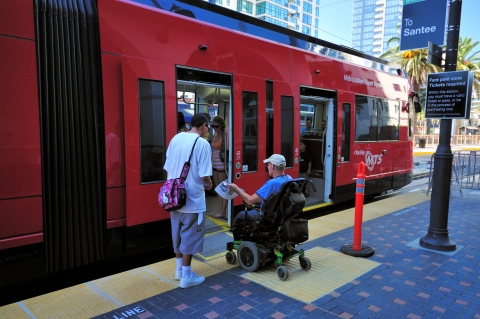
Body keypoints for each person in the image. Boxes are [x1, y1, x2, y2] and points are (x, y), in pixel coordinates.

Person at [163, 113, 213, 288]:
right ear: (205, 125)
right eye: (209, 128)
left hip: (173, 197)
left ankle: (178, 271)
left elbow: (167, 167)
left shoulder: (176, 138)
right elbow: (204, 175)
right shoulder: (203, 144)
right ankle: (186, 276)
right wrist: (209, 184)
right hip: (192, 200)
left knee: (177, 234)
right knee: (190, 236)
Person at [228, 154, 292, 222]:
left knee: (240, 215)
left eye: (268, 164)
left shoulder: (272, 183)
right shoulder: (289, 178)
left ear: (273, 166)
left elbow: (250, 201)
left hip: (266, 215)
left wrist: (236, 189)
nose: (267, 167)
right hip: (279, 214)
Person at [210, 116, 228, 220]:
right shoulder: (215, 135)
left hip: (221, 164)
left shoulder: (225, 135)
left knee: (223, 188)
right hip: (215, 164)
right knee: (218, 188)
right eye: (212, 126)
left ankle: (223, 211)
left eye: (216, 126)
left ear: (221, 125)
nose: (214, 128)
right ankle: (219, 209)